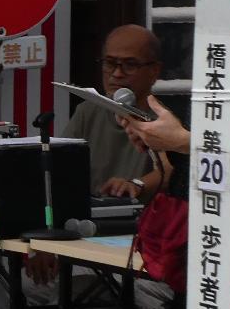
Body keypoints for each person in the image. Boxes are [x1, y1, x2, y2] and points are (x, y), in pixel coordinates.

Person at [63, 25, 162, 192]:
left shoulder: (163, 119)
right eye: (109, 63)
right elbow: (61, 164)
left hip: (141, 208)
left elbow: (169, 171)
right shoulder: (87, 112)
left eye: (129, 65)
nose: (117, 73)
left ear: (154, 71)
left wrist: (136, 185)